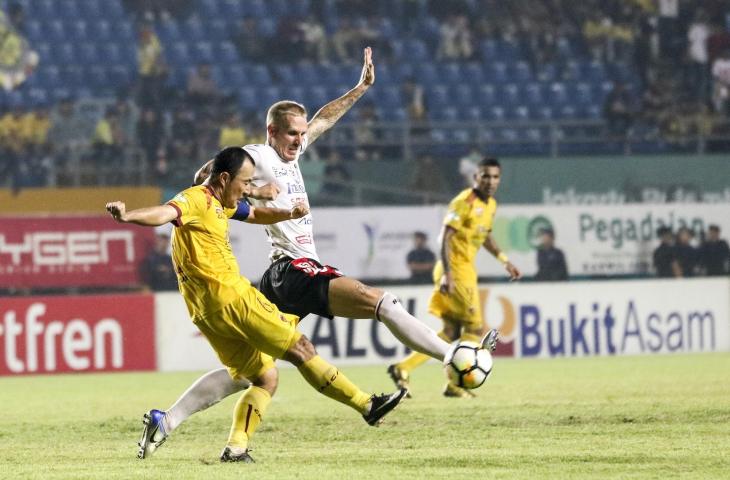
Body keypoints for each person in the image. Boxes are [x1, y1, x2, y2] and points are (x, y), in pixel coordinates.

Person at [137, 48, 478, 460]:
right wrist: (252, 189)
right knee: (379, 301)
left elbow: (324, 120)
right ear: (271, 132)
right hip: (293, 269)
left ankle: (175, 423)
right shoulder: (259, 156)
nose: (300, 141)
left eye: (301, 134)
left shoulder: (292, 152)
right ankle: (452, 355)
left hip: (278, 279)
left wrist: (360, 89)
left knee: (252, 373)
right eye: (292, 134)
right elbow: (203, 178)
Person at [108, 147, 407, 463]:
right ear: (225, 178)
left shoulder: (223, 204)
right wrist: (128, 216)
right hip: (234, 299)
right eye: (244, 182)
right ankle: (367, 406)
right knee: (301, 349)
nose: (246, 190)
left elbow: (254, 214)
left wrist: (288, 214)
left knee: (265, 377)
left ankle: (229, 447)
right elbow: (164, 213)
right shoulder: (197, 199)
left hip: (205, 312)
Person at [388, 157, 521, 399]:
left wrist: (504, 260)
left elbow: (486, 236)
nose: (490, 181)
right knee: (475, 327)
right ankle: (457, 383)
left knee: (450, 331)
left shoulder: (490, 205)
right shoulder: (464, 202)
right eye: (485, 176)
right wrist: (449, 274)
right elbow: (445, 238)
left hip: (464, 271)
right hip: (455, 271)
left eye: (495, 177)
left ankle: (403, 368)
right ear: (475, 177)